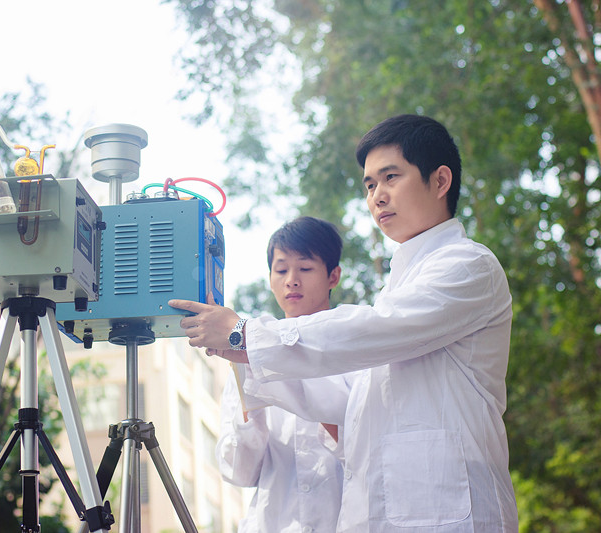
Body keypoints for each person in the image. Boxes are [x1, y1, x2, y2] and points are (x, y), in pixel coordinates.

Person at [170, 114, 518, 531]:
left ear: (440, 181)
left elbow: (380, 328)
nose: (377, 196)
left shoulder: (467, 265)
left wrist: (244, 334)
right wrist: (241, 352)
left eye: (391, 177)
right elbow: (339, 400)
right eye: (370, 185)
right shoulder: (400, 284)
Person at [217, 216, 345, 533]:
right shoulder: (247, 354)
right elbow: (239, 473)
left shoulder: (354, 346)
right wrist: (250, 403)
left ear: (333, 276)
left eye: (305, 268)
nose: (291, 280)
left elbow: (366, 448)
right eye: (281, 269)